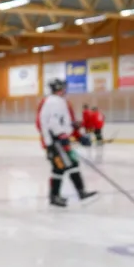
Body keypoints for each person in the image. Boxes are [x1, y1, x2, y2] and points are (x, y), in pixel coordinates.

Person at [36, 79, 96, 208]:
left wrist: (76, 133)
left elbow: (61, 122)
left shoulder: (54, 101)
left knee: (65, 166)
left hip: (55, 140)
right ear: (59, 88)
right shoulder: (55, 101)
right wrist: (61, 135)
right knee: (66, 165)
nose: (65, 90)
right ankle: (73, 194)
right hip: (56, 142)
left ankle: (61, 195)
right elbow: (53, 123)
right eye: (63, 87)